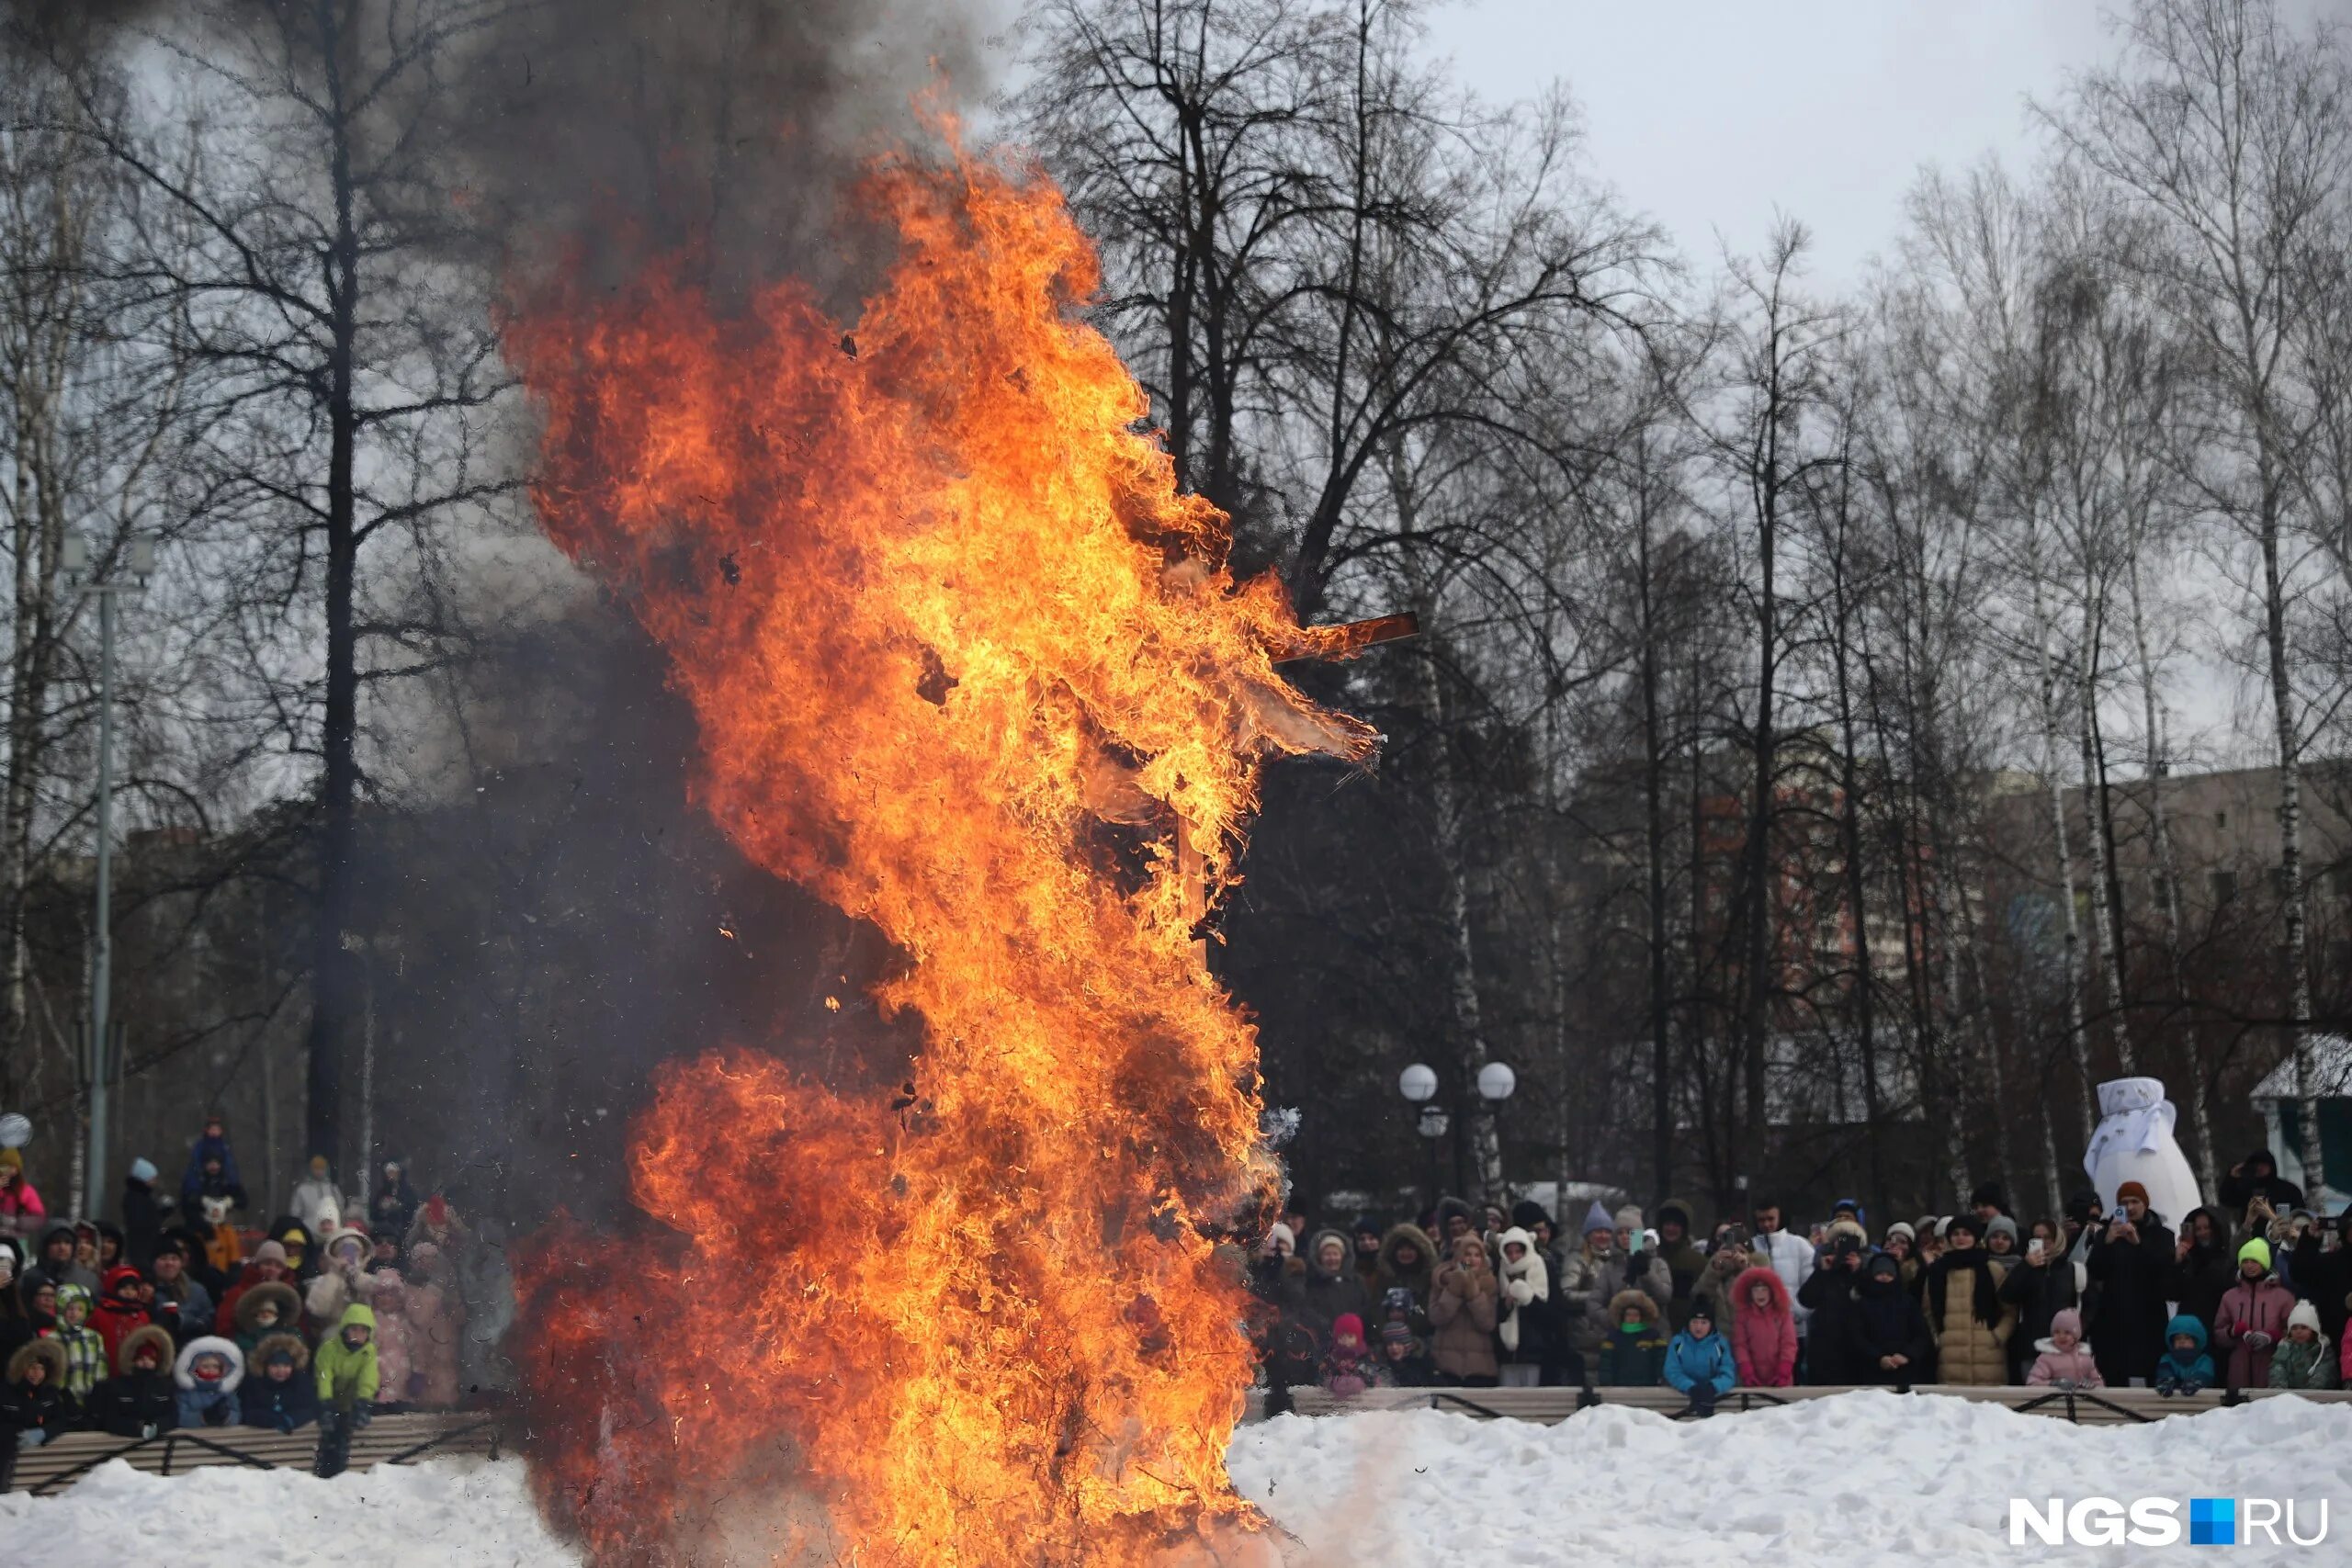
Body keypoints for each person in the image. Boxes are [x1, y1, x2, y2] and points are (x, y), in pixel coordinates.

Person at [2086, 1181, 2174, 1388]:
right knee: (2115, 1374)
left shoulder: (2162, 1235)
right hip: (2114, 1320)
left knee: (2150, 1372)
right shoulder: (2106, 1234)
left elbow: (2163, 1270)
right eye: (2124, 1203)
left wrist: (2138, 1244)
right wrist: (2106, 1243)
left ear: (2145, 1204)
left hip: (2148, 1318)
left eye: (2135, 1201)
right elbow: (2095, 1271)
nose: (2130, 1207)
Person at [1923, 1213, 2012, 1386]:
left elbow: (2010, 1311)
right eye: (1955, 1234)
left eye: (1966, 1233)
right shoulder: (1937, 1272)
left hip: (1989, 1358)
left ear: (1975, 1237)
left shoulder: (1993, 1269)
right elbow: (1928, 1312)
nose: (1960, 1238)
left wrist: (1998, 1336)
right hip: (1950, 1359)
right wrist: (1937, 1338)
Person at [2000, 1220, 2084, 1384]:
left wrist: (2076, 1330)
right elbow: (2006, 1296)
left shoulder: (2072, 1270)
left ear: (2057, 1239)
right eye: (2037, 1238)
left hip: (2065, 1349)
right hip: (2032, 1348)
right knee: (2034, 1397)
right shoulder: (2026, 1269)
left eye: (2047, 1237)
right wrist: (2025, 1266)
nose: (2043, 1243)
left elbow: (2086, 1304)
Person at [2212, 1238, 2295, 1390]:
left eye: (2255, 1261)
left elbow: (2295, 1334)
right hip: (2239, 1368)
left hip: (2273, 1366)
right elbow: (2218, 1334)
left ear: (2264, 1263)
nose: (2249, 1266)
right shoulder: (2230, 1297)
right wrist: (2232, 1332)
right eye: (2245, 1261)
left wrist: (2272, 1336)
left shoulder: (2283, 1297)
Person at [312, 1303, 380, 1477]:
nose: (358, 1335)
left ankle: (341, 1470)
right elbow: (324, 1376)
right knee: (328, 1433)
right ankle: (322, 1468)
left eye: (363, 1331)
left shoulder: (368, 1352)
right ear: (345, 1330)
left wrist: (363, 1402)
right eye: (354, 1329)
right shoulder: (329, 1348)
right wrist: (326, 1402)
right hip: (327, 1397)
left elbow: (368, 1378)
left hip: (350, 1401)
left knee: (344, 1433)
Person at [1797, 1232, 1871, 1384]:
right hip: (1824, 1349)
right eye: (1839, 1245)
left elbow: (1870, 1299)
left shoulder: (1864, 1272)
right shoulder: (1825, 1272)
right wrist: (1822, 1271)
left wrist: (1857, 1272)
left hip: (1853, 1348)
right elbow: (1806, 1299)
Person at [1428, 1233, 1500, 1385]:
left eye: (1477, 1255)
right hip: (1446, 1366)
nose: (1472, 1259)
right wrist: (1454, 1289)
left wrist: (1473, 1293)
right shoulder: (1441, 1279)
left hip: (1480, 1368)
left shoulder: (1490, 1283)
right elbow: (1436, 1317)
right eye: (1467, 1254)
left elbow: (1488, 1323)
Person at [1750, 1200, 1816, 1365]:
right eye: (1761, 1220)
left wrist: (1794, 1314)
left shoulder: (1800, 1246)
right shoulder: (1750, 1247)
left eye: (1771, 1219)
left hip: (1795, 1331)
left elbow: (1811, 1288)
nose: (1766, 1224)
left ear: (1780, 1217)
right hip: (1758, 1332)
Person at [1854, 1251, 1933, 1385]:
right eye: (1880, 1273)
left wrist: (1907, 1355)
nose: (1884, 1277)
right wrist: (1878, 1358)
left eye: (1889, 1274)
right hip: (1870, 1374)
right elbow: (1857, 1337)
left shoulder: (1908, 1302)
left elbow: (1921, 1335)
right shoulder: (1862, 1304)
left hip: (1907, 1373)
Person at [87, 1323, 178, 1438]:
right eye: (141, 1358)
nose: (146, 1363)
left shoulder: (166, 1386)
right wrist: (137, 1428)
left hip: (158, 1444)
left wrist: (157, 1426)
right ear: (132, 1360)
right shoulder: (116, 1386)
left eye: (151, 1359)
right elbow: (110, 1419)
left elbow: (172, 1416)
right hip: (120, 1443)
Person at [2167, 1206, 2238, 1337]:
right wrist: (2177, 1263)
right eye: (2197, 1229)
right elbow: (2172, 1293)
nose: (2202, 1233)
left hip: (2216, 1334)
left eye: (2207, 1227)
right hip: (2189, 1336)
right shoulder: (2187, 1261)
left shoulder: (2228, 1262)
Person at [2289, 1208, 2352, 1346]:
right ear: (2345, 1230)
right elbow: (2299, 1273)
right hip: (2337, 1345)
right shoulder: (2332, 1262)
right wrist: (2310, 1240)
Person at [1662, 1301, 1737, 1413]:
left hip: (1717, 1400)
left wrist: (1713, 1387)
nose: (1698, 1327)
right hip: (1681, 1399)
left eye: (1703, 1322)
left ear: (1711, 1324)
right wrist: (1690, 1387)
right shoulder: (1678, 1343)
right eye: (1695, 1322)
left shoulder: (1721, 1344)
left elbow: (1728, 1372)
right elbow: (1672, 1370)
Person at [1729, 1264, 1797, 1388]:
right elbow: (1740, 1345)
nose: (1760, 1294)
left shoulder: (1782, 1313)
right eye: (1756, 1290)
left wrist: (1783, 1372)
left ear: (1772, 1291)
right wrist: (1747, 1372)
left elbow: (1788, 1344)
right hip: (1752, 1379)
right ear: (1749, 1293)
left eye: (1764, 1289)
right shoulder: (1743, 1315)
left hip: (1780, 1378)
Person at [1, 1338, 75, 1447]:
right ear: (22, 1368)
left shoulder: (50, 1392)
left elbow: (61, 1420)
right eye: (32, 1367)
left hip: (44, 1454)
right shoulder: (6, 1391)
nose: (37, 1373)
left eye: (42, 1368)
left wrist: (43, 1432)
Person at [240, 1333, 322, 1430]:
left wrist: (290, 1420)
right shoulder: (254, 1384)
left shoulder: (301, 1383)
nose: (281, 1370)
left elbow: (310, 1409)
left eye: (286, 1365)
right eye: (275, 1365)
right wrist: (274, 1420)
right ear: (265, 1366)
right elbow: (249, 1413)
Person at [1651, 1200, 1705, 1330]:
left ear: (1684, 1228)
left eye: (1676, 1225)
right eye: (1667, 1224)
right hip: (1651, 1331)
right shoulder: (1650, 1257)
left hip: (1686, 1332)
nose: (1671, 1228)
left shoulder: (1698, 1262)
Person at [1596, 1290, 1668, 1386]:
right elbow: (1606, 1363)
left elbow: (1661, 1359)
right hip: (1620, 1386)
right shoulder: (1613, 1337)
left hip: (1648, 1386)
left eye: (1636, 1315)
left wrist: (1661, 1378)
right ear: (1622, 1316)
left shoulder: (1653, 1336)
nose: (1632, 1318)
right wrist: (1606, 1382)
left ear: (1642, 1317)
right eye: (1628, 1314)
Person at [147, 1241, 215, 1343]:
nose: (169, 1263)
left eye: (174, 1259)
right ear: (153, 1263)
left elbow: (210, 1319)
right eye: (163, 1258)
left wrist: (182, 1320)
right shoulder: (146, 1290)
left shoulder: (196, 1290)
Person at [1372, 1222, 1438, 1325]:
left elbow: (1429, 1310)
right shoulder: (1385, 1278)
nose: (1405, 1253)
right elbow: (1376, 1311)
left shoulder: (1429, 1279)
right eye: (1401, 1249)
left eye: (1410, 1249)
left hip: (1423, 1337)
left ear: (1420, 1251)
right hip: (1388, 1336)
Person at [172, 1336, 245, 1427]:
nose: (211, 1370)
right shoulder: (187, 1392)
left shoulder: (227, 1392)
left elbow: (237, 1414)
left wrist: (226, 1417)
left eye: (215, 1366)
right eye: (205, 1366)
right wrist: (203, 1418)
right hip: (195, 1435)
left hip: (223, 1434)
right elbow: (181, 1417)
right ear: (194, 1368)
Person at [90, 1264, 153, 1371]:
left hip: (134, 1371)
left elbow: (147, 1341)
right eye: (124, 1288)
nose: (129, 1292)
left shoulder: (142, 1315)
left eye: (133, 1289)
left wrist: (147, 1357)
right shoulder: (100, 1313)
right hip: (104, 1369)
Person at [51, 1282, 107, 1402]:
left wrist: (97, 1396)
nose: (75, 1313)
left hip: (90, 1401)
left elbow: (101, 1372)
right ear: (61, 1309)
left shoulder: (94, 1337)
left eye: (80, 1309)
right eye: (70, 1308)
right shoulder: (52, 1339)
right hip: (61, 1402)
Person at [180, 1117, 248, 1213]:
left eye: (217, 1129)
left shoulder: (224, 1146)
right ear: (207, 1130)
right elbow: (195, 1165)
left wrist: (232, 1183)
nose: (215, 1132)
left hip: (220, 1181)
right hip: (203, 1181)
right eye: (212, 1129)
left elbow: (229, 1166)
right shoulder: (201, 1146)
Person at [2025, 1308, 2102, 1390]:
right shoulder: (2046, 1358)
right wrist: (2053, 1383)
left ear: (2076, 1336)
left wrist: (2092, 1385)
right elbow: (2032, 1383)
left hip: (2083, 1401)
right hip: (2055, 1401)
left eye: (2067, 1332)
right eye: (2057, 1332)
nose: (2062, 1336)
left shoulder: (2086, 1358)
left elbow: (2099, 1382)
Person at [2267, 1300, 2335, 1391]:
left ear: (2313, 1330)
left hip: (2317, 1398)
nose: (2299, 1331)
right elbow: (2277, 1366)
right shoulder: (2285, 1348)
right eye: (2294, 1328)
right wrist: (2278, 1386)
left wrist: (2313, 1388)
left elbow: (2324, 1370)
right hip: (2288, 1396)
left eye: (2304, 1328)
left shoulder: (2322, 1350)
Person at [121, 1156, 173, 1271]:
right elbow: (142, 1224)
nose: (154, 1181)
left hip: (143, 1248)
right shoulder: (136, 1198)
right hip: (142, 1250)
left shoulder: (140, 1197)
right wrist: (160, 1214)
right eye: (152, 1178)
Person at [2218, 1148, 2304, 1216]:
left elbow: (2300, 1214)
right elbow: (2225, 1199)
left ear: (2271, 1166)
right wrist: (2231, 1178)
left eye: (2263, 1165)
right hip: (2253, 1236)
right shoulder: (2246, 1189)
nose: (2259, 1168)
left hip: (2281, 1235)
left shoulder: (2287, 1189)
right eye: (2256, 1165)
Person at [1317, 1313, 1384, 1399]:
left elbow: (1372, 1377)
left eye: (1350, 1337)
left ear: (1358, 1338)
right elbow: (1322, 1377)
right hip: (1334, 1400)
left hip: (1361, 1400)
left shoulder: (1363, 1356)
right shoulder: (1332, 1355)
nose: (1346, 1340)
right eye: (1341, 1337)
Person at [232, 1280, 303, 1361]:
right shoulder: (246, 1334)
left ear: (277, 1314)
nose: (265, 1315)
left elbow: (299, 1349)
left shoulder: (292, 1331)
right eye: (261, 1312)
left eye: (270, 1312)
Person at [23, 1223, 96, 1298]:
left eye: (67, 1242)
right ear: (45, 1246)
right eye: (56, 1242)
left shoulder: (89, 1279)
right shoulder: (28, 1279)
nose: (62, 1247)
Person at [2154, 1315, 2215, 1396]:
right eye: (2178, 1338)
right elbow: (2164, 1372)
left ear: (2196, 1340)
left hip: (2199, 1401)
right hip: (2171, 1402)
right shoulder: (2167, 1358)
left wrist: (2195, 1382)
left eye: (2187, 1338)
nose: (2182, 1341)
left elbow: (2204, 1375)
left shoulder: (2205, 1360)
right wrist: (2165, 1381)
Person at [0, 1147, 45, 1244]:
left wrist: (17, 1222)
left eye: (10, 1166)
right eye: (3, 1166)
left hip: (18, 1240)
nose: (6, 1170)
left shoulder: (26, 1192)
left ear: (17, 1169)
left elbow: (38, 1218)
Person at [290, 1156, 343, 1238]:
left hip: (331, 1234)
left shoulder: (332, 1188)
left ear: (326, 1170)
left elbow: (340, 1208)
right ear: (311, 1170)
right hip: (308, 1233)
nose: (319, 1171)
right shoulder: (302, 1190)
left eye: (322, 1168)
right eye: (316, 1168)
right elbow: (295, 1214)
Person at [370, 1159, 423, 1241]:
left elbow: (413, 1206)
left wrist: (400, 1206)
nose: (391, 1176)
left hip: (403, 1227)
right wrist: (382, 1207)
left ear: (398, 1173)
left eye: (393, 1172)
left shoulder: (407, 1190)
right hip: (386, 1228)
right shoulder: (382, 1192)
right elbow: (374, 1210)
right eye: (388, 1173)